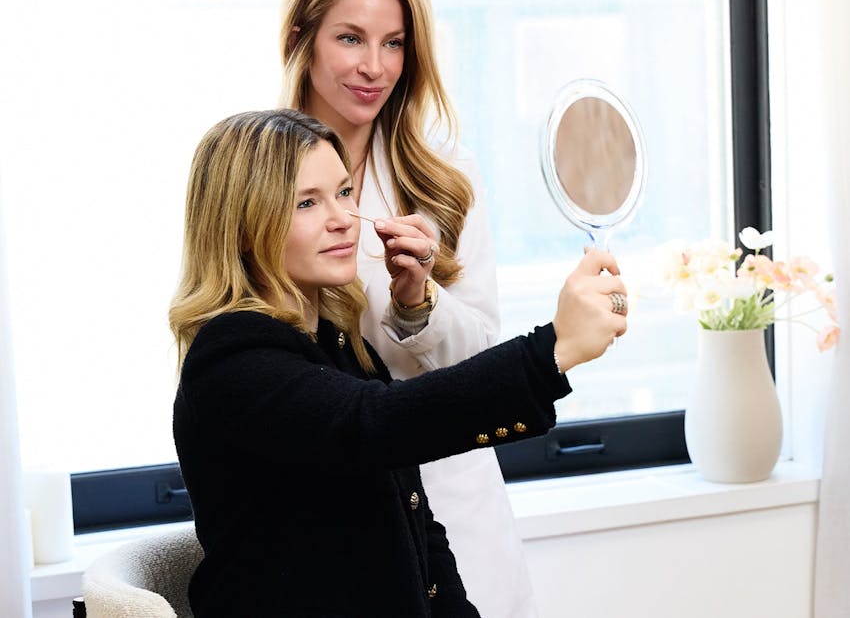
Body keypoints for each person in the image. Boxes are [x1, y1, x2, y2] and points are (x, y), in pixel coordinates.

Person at [169, 108, 627, 617]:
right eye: (306, 202)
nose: (343, 217)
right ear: (244, 226)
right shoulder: (229, 358)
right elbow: (374, 424)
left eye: (344, 192)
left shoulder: (338, 345)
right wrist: (552, 351)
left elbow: (420, 539)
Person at [277, 0, 539, 613]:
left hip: (452, 504)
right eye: (350, 38)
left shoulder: (446, 176)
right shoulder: (255, 177)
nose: (375, 66)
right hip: (320, 512)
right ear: (302, 36)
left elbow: (478, 359)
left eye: (393, 43)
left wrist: (418, 302)